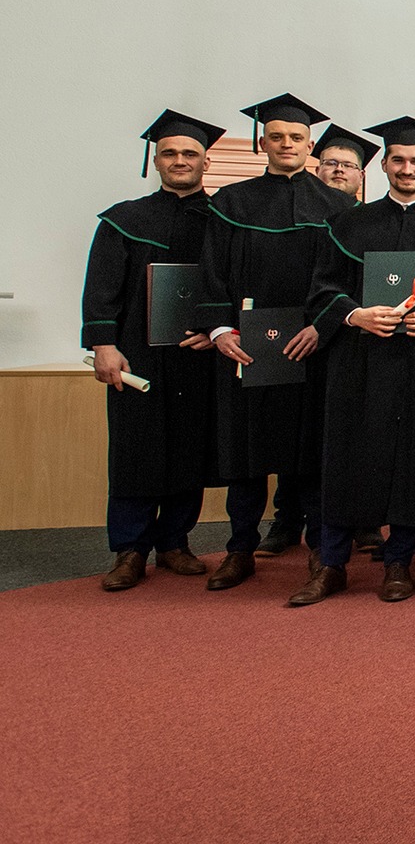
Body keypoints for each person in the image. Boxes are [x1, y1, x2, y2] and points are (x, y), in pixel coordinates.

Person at [289, 117, 415, 606]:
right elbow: (322, 291)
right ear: (385, 165)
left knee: (410, 460)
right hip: (356, 362)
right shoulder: (347, 224)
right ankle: (331, 563)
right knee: (344, 459)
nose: (408, 169)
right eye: (399, 160)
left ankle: (399, 562)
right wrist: (355, 315)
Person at [197, 95, 356, 588]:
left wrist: (324, 325)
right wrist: (219, 329)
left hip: (315, 347)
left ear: (310, 146)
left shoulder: (339, 207)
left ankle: (323, 553)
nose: (287, 144)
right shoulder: (230, 202)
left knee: (313, 453)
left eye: (296, 137)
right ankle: (239, 548)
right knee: (244, 455)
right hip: (247, 348)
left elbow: (347, 279)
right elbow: (212, 271)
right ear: (262, 142)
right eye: (277, 136)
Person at [83, 111, 226, 590]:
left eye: (190, 153)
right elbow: (101, 287)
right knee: (135, 450)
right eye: (170, 153)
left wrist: (216, 329)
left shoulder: (223, 220)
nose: (180, 160)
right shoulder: (124, 219)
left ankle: (174, 543)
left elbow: (230, 285)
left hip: (196, 353)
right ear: (156, 161)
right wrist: (103, 345)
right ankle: (129, 550)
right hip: (136, 355)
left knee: (190, 447)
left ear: (206, 161)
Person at [312, 125, 372, 199]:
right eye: (331, 163)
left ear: (361, 176)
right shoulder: (301, 205)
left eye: (348, 165)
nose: (339, 169)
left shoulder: (373, 207)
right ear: (317, 171)